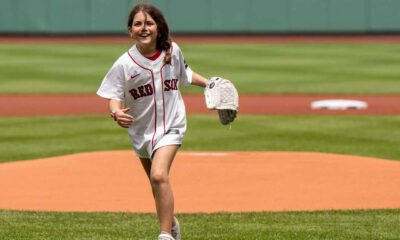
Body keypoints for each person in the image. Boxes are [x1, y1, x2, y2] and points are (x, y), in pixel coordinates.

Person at [97, 3, 208, 240]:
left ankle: (165, 235)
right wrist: (116, 112)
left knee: (159, 175)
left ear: (158, 28)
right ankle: (173, 224)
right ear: (130, 31)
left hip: (172, 125)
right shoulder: (124, 64)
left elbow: (186, 75)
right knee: (155, 183)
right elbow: (113, 97)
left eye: (149, 23)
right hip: (142, 132)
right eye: (138, 24)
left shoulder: (172, 51)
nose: (144, 28)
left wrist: (210, 84)